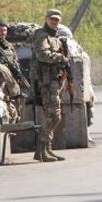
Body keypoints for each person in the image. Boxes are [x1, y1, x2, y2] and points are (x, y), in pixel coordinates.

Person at [31, 9, 68, 162]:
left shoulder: (55, 36)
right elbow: (42, 54)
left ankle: (47, 149)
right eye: (52, 19)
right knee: (54, 115)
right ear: (46, 19)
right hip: (46, 81)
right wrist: (61, 57)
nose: (54, 22)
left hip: (55, 80)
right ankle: (41, 149)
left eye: (57, 20)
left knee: (52, 115)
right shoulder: (42, 35)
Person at [0, 20, 31, 122]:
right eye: (0, 30)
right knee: (5, 106)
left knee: (16, 106)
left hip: (13, 78)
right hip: (1, 80)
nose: (3, 32)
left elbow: (15, 61)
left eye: (5, 30)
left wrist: (18, 75)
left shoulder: (8, 45)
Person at [57, 24, 96, 131]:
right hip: (79, 86)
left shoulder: (54, 44)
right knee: (89, 95)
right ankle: (89, 117)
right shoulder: (77, 48)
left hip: (62, 84)